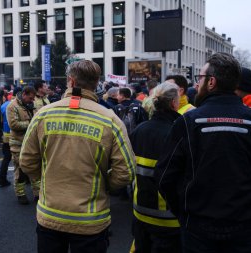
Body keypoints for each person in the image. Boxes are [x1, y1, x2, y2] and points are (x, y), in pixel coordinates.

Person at [20, 60, 136, 253]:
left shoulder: (43, 115)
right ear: (96, 83)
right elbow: (126, 172)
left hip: (50, 216)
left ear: (71, 81)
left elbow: (26, 161)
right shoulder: (110, 120)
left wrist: (47, 180)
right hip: (90, 220)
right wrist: (103, 185)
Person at [155, 53, 251, 253]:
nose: (196, 84)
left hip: (198, 227)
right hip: (243, 225)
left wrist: (183, 212)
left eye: (200, 78)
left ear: (212, 82)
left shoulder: (188, 121)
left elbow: (164, 176)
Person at [130, 82, 182, 253]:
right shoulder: (177, 133)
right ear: (174, 103)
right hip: (168, 219)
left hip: (140, 212)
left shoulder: (139, 130)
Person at [6, 86, 39, 205]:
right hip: (18, 145)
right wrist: (31, 123)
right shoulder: (12, 106)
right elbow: (13, 125)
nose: (32, 100)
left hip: (31, 143)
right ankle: (21, 194)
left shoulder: (31, 105)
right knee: (20, 171)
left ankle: (38, 194)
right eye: (30, 98)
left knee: (35, 169)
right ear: (24, 94)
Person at [0, 89, 16, 188]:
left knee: (6, 158)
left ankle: (2, 178)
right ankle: (24, 178)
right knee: (20, 158)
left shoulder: (3, 105)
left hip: (5, 135)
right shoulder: (18, 105)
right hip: (16, 135)